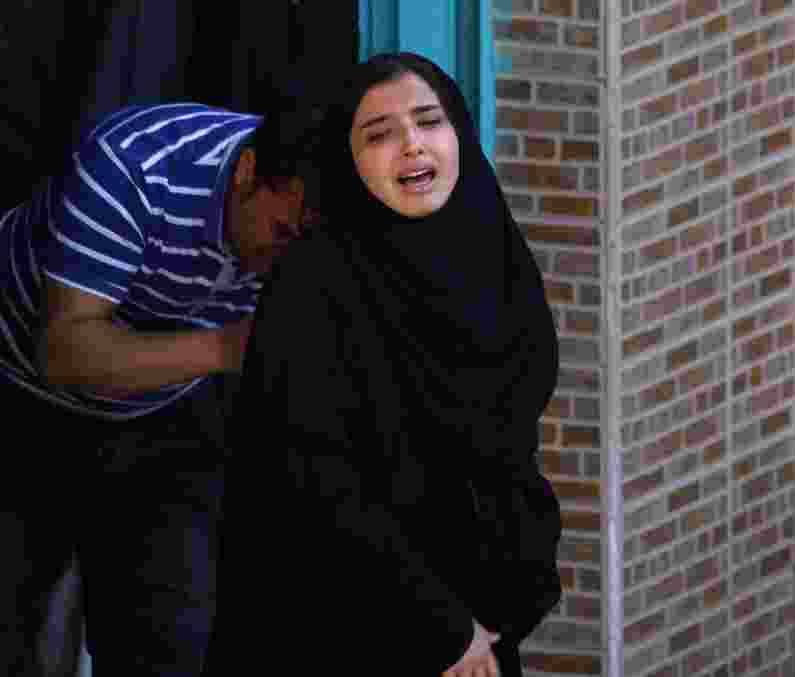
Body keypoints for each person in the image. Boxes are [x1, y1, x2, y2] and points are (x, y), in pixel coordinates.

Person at [203, 53, 563, 677]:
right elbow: (318, 485)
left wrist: (507, 605)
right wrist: (445, 629)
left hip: (478, 624)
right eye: (379, 134)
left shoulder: (492, 255)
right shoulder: (316, 283)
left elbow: (510, 449)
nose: (411, 146)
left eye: (429, 121)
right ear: (349, 161)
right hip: (341, 625)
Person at [0, 101, 319, 676]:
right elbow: (65, 353)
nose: (285, 264)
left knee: (175, 637)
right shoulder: (138, 165)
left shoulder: (327, 227)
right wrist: (233, 348)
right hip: (21, 386)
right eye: (282, 233)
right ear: (246, 173)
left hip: (166, 408)